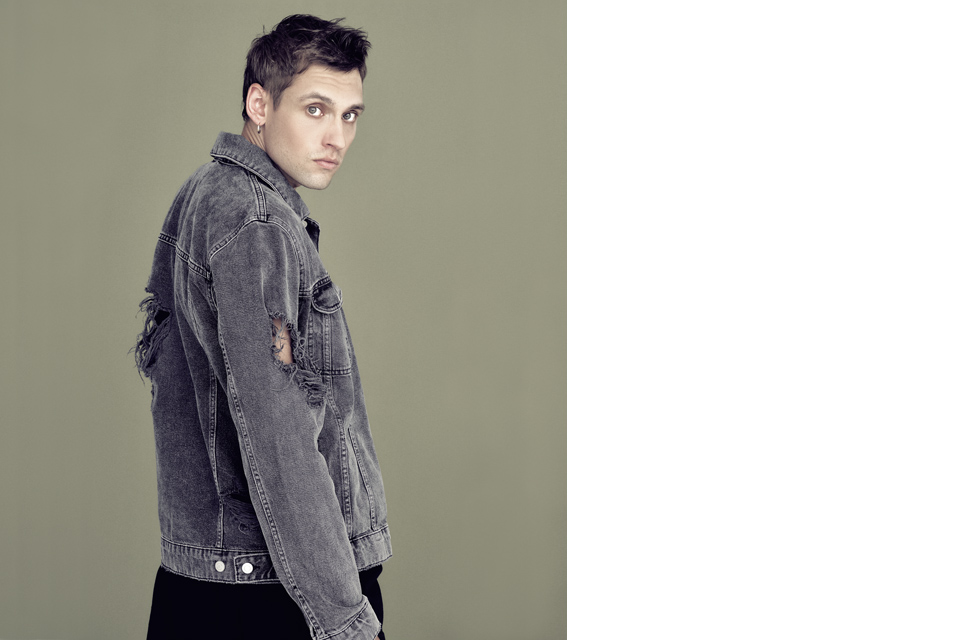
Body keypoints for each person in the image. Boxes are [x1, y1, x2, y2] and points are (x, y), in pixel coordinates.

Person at [133, 14, 391, 639]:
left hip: (211, 585)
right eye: (315, 109)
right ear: (259, 104)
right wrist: (345, 621)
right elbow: (280, 440)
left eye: (350, 115)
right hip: (268, 600)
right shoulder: (256, 224)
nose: (336, 137)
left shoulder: (207, 194)